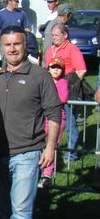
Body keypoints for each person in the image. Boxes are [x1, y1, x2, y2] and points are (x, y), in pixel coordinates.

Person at [0, 28, 62, 219]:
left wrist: (50, 147)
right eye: (7, 45)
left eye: (16, 44)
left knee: (21, 207)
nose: (12, 49)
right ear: (2, 47)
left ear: (25, 45)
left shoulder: (40, 76)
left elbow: (54, 114)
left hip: (27, 153)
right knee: (1, 206)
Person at [43, 23, 86, 162]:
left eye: (56, 35)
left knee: (70, 123)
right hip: (50, 93)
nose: (53, 38)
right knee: (48, 122)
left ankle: (70, 154)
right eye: (52, 35)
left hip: (67, 93)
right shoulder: (50, 50)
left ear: (65, 35)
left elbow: (81, 70)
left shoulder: (72, 49)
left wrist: (66, 85)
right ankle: (49, 150)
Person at [39, 58, 68, 188]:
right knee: (38, 144)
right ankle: (38, 168)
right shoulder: (44, 81)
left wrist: (47, 98)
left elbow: (63, 98)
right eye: (53, 67)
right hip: (41, 117)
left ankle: (47, 174)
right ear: (48, 69)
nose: (56, 70)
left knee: (51, 145)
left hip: (57, 119)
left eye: (59, 68)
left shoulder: (62, 82)